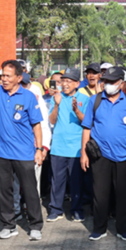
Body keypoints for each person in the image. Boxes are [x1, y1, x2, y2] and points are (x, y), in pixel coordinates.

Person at [0, 29, 46, 241]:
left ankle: (35, 225)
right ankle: (8, 225)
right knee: (4, 191)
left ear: (18, 77)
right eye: (2, 75)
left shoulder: (29, 97)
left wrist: (39, 149)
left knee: (30, 190)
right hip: (0, 152)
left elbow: (37, 126)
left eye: (8, 76)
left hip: (23, 152)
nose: (3, 79)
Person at [80, 66, 126, 241]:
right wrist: (84, 155)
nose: (108, 84)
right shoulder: (95, 100)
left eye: (112, 81)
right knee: (100, 194)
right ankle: (99, 228)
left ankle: (123, 229)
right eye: (105, 81)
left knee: (123, 195)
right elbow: (86, 128)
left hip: (124, 156)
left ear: (121, 83)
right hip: (100, 155)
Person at [47, 68, 91, 222]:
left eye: (68, 81)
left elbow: (87, 122)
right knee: (57, 181)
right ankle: (55, 209)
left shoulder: (85, 99)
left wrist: (76, 110)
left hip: (77, 149)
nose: (64, 84)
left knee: (76, 182)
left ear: (77, 84)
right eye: (63, 81)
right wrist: (57, 105)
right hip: (58, 147)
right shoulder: (56, 97)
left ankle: (77, 209)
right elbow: (52, 121)